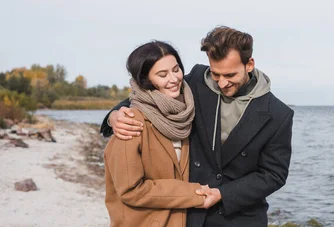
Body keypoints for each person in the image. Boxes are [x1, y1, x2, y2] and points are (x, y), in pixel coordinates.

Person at [100, 26, 294, 227]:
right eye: (216, 74)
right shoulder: (196, 80)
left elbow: (273, 174)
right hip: (188, 214)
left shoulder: (279, 114)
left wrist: (223, 193)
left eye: (230, 75)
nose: (222, 83)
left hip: (239, 217)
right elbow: (148, 95)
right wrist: (114, 116)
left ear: (249, 64)